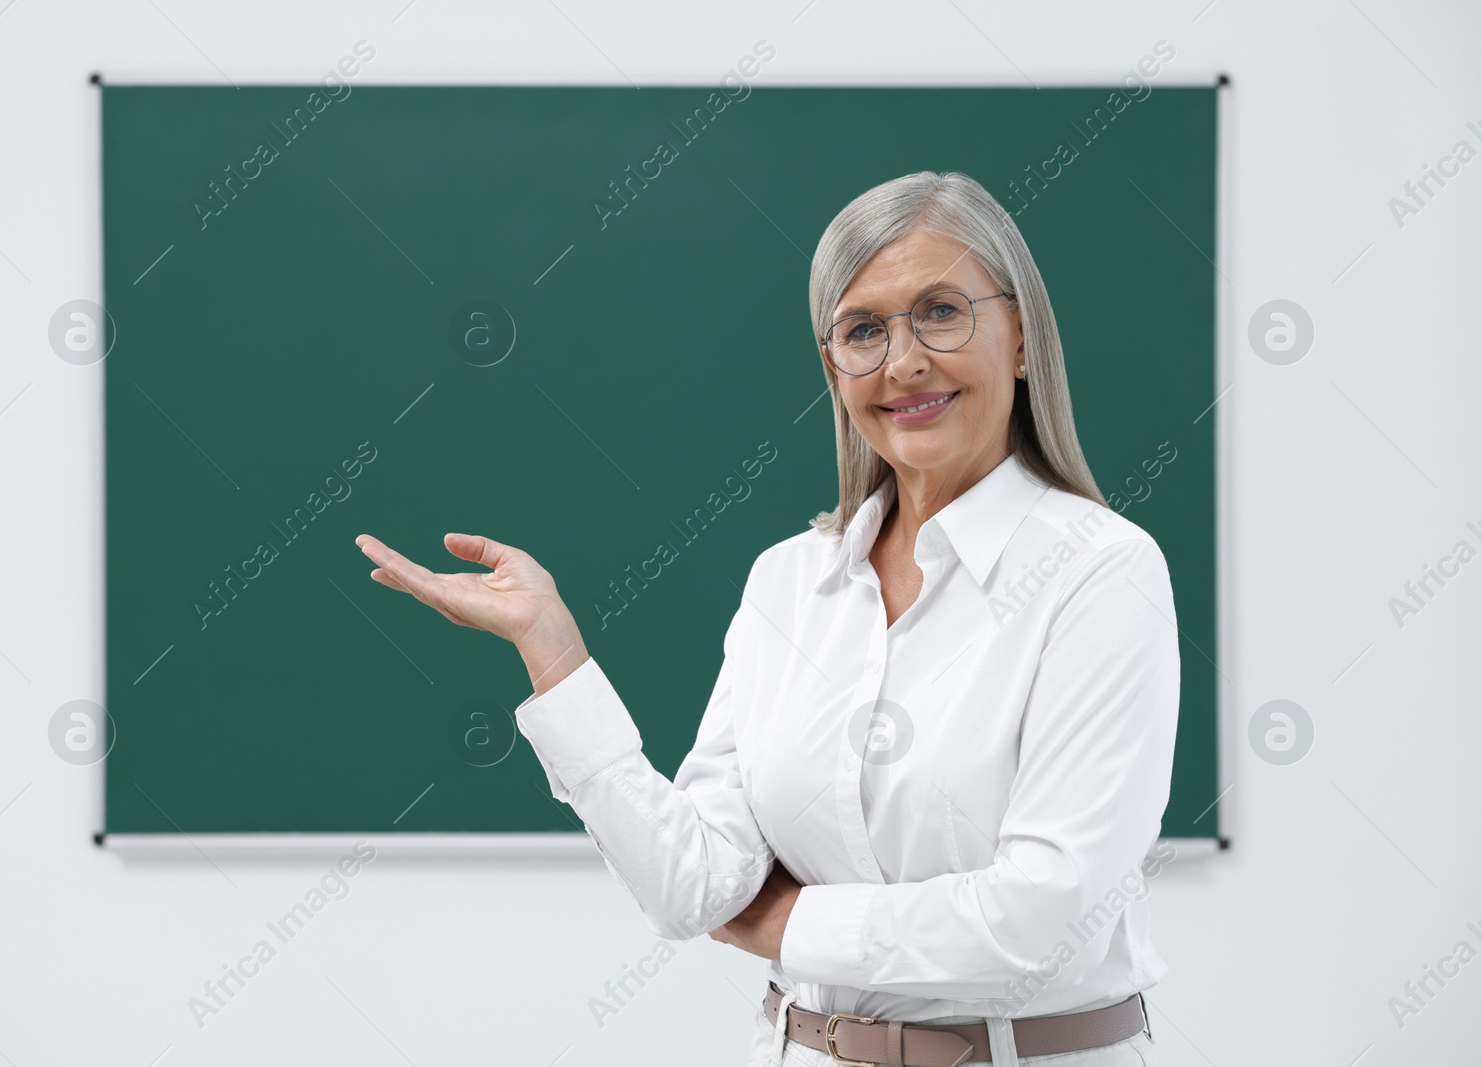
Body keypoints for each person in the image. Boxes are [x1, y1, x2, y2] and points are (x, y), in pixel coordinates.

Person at [355, 170, 1178, 1067]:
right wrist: (553, 652)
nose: (903, 362)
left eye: (941, 312)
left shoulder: (1101, 573)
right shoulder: (789, 584)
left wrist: (788, 922)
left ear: (1020, 336)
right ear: (835, 366)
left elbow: (1042, 920)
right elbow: (691, 886)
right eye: (864, 330)